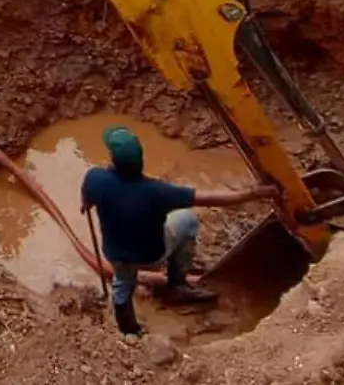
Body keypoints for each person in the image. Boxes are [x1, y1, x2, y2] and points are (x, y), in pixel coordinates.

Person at [80, 125, 282, 336]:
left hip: (117, 254)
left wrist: (87, 203)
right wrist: (254, 193)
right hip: (151, 256)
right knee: (187, 219)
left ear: (112, 159)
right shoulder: (157, 191)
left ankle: (129, 330)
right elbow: (210, 199)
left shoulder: (95, 178)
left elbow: (85, 201)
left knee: (122, 286)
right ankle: (177, 283)